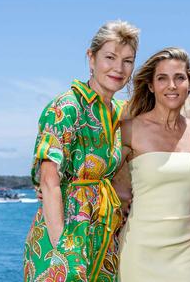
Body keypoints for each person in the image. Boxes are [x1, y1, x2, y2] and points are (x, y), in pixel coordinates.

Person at [23, 20, 139, 282]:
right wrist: (62, 250)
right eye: (110, 57)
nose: (118, 68)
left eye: (128, 61)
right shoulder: (67, 108)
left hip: (104, 234)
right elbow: (49, 182)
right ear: (91, 57)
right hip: (66, 231)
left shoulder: (118, 113)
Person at [114, 47, 190, 281]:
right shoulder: (129, 130)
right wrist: (56, 182)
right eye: (162, 78)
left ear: (189, 83)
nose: (172, 85)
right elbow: (98, 173)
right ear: (151, 85)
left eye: (179, 77)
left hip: (185, 254)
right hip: (140, 252)